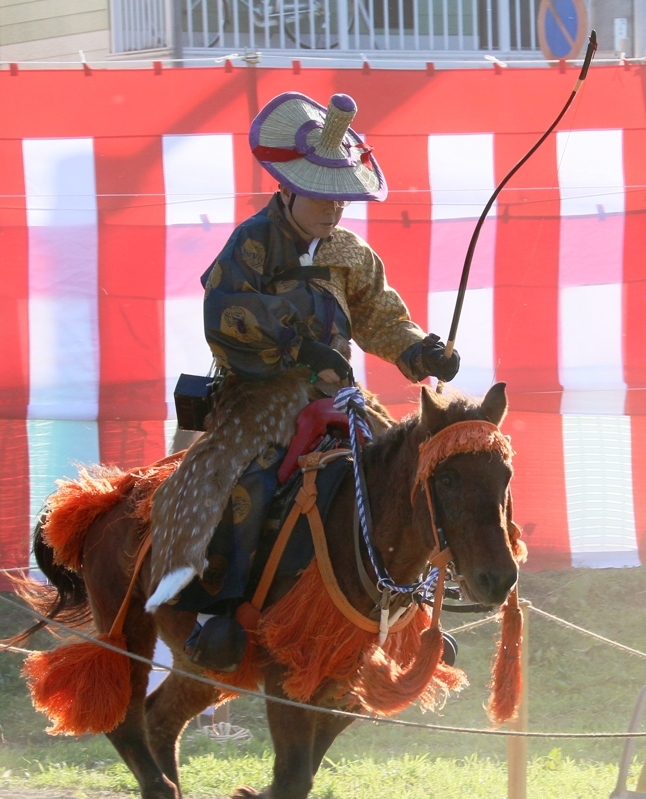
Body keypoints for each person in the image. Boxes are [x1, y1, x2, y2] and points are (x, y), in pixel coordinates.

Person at [146, 91, 460, 671]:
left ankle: (412, 607)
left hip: (340, 398)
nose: (335, 208)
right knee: (247, 485)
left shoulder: (351, 252)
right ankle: (217, 615)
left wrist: (420, 351)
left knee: (409, 470)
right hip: (259, 396)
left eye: (341, 196)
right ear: (288, 187)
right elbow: (225, 318)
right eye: (322, 195)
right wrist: (293, 342)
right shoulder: (250, 244)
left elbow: (380, 318)